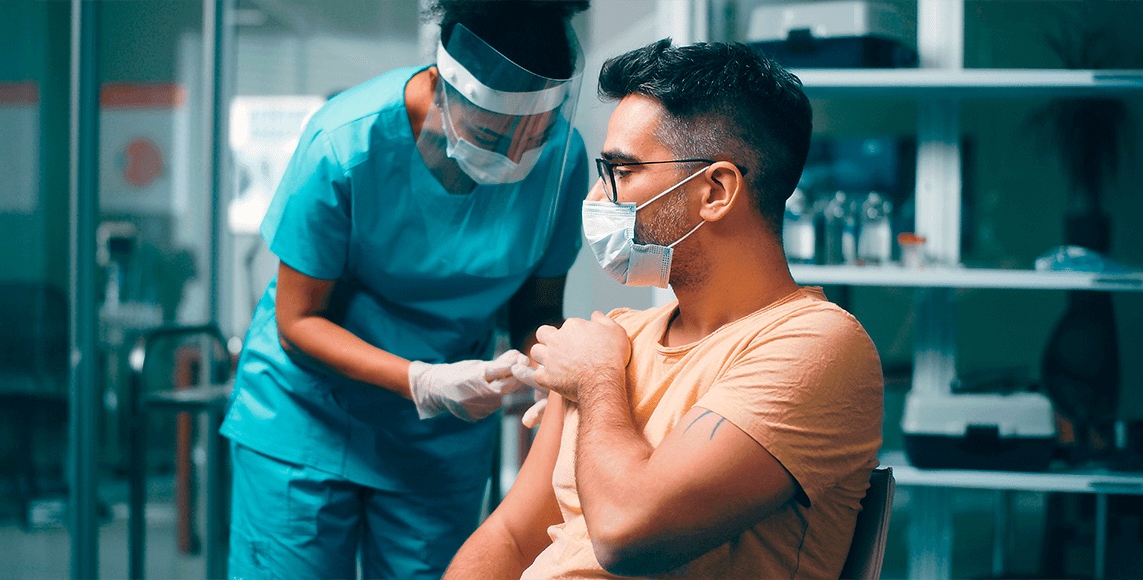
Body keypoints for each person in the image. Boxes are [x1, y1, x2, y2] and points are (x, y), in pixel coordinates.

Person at [445, 39, 884, 579]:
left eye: (622, 173)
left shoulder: (815, 346)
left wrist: (595, 381)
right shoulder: (617, 338)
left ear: (716, 191)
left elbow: (627, 535)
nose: (599, 199)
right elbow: (511, 537)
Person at [218, 1, 590, 578]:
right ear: (444, 87)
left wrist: (546, 372)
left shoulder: (562, 163)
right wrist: (423, 381)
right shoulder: (346, 142)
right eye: (493, 134)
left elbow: (539, 305)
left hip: (439, 439)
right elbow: (298, 321)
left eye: (533, 137)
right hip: (308, 417)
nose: (515, 157)